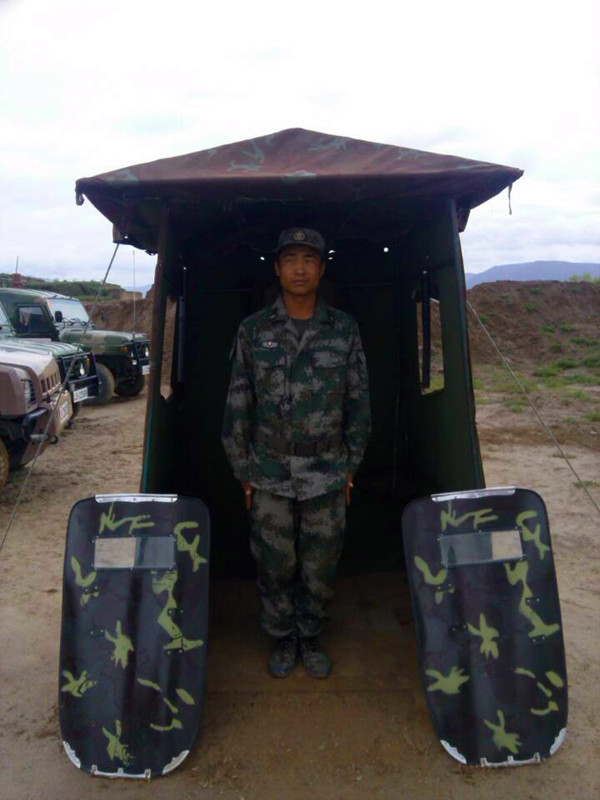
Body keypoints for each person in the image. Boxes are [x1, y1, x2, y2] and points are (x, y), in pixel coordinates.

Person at [222, 227, 371, 679]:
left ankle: (310, 634)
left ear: (322, 269)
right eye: (291, 259)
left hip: (327, 471)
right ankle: (283, 635)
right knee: (274, 564)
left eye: (309, 260)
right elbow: (237, 404)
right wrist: (244, 471)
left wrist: (349, 466)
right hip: (269, 472)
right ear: (277, 268)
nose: (300, 268)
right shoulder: (254, 331)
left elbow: (359, 403)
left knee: (321, 564)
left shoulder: (343, 329)